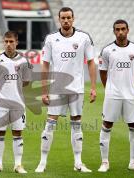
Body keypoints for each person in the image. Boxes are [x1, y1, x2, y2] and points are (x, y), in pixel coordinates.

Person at [35, 7, 96, 173]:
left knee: (76, 124)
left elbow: (91, 62)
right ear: (59, 19)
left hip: (76, 88)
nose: (66, 21)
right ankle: (42, 162)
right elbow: (45, 64)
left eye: (69, 18)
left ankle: (78, 162)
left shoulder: (83, 38)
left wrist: (92, 87)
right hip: (57, 88)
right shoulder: (51, 39)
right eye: (63, 18)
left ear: (73, 19)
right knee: (49, 125)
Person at [98, 19, 134, 172]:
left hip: (130, 95)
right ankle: (104, 162)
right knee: (107, 125)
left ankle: (133, 162)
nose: (120, 32)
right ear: (114, 31)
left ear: (128, 30)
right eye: (117, 29)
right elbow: (103, 72)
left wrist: (129, 85)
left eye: (123, 29)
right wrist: (109, 89)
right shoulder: (107, 50)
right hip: (112, 94)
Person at [0, 31, 32, 174]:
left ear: (16, 42)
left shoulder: (24, 61)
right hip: (0, 103)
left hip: (18, 103)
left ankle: (18, 165)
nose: (8, 44)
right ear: (3, 42)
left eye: (11, 41)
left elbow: (26, 81)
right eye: (6, 41)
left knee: (17, 133)